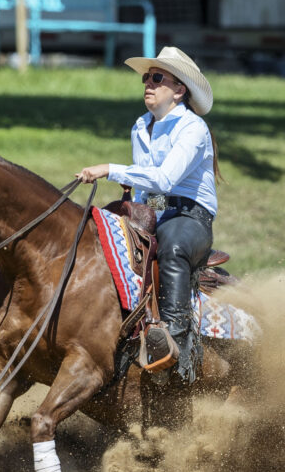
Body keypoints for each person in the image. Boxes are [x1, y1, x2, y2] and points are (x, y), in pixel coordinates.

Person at [75, 46, 218, 383]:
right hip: (159, 208)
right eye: (146, 78)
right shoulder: (141, 126)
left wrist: (110, 169)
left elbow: (167, 180)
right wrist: (129, 213)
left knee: (173, 248)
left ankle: (175, 348)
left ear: (179, 90)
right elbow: (150, 194)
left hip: (191, 216)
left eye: (157, 78)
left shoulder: (193, 129)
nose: (148, 84)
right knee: (104, 239)